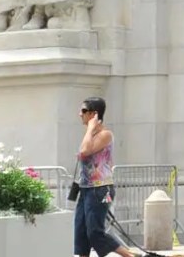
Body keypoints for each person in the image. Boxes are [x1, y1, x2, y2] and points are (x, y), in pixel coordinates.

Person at [72, 97, 134, 257]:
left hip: (100, 189)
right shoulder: (91, 135)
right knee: (81, 233)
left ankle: (129, 256)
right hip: (86, 189)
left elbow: (85, 151)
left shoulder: (105, 134)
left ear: (94, 114)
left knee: (95, 233)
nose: (80, 114)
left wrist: (90, 129)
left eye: (84, 111)